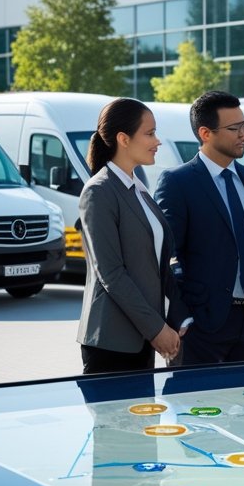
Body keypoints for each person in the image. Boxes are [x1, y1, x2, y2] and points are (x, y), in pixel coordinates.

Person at [155, 90, 244, 364]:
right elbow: (164, 255)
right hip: (201, 326)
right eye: (234, 128)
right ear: (205, 133)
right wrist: (181, 316)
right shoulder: (178, 182)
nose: (243, 134)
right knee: (197, 405)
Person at [77, 98, 186, 374]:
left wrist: (177, 320)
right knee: (116, 419)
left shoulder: (138, 189)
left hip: (141, 340)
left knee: (143, 418)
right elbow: (111, 273)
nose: (157, 141)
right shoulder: (98, 191)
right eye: (149, 133)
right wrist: (156, 329)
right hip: (112, 342)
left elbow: (156, 266)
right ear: (123, 139)